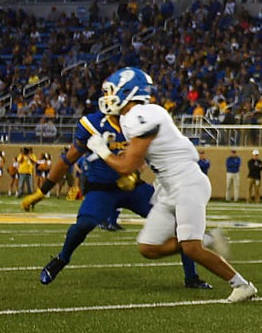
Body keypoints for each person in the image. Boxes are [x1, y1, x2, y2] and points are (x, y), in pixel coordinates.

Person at [93, 66, 258, 303]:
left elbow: (127, 166)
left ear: (128, 91)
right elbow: (139, 160)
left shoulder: (141, 114)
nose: (108, 97)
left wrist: (102, 151)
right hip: (168, 187)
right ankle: (209, 239)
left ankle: (241, 285)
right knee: (148, 247)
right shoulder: (132, 118)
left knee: (191, 248)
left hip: (187, 182)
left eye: (111, 91)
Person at [28, 112, 207, 289]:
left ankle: (191, 276)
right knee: (84, 224)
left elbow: (149, 156)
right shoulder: (93, 124)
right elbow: (67, 159)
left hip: (133, 187)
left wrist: (136, 170)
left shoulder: (140, 120)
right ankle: (62, 259)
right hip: (102, 189)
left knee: (180, 222)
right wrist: (42, 191)